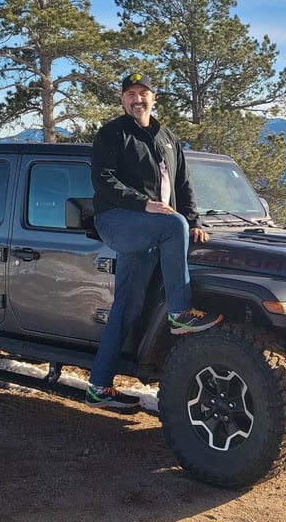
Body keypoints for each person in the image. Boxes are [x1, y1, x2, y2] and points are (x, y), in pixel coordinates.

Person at [85, 71, 223, 408]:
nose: (137, 99)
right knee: (173, 224)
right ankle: (179, 312)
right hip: (117, 219)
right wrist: (143, 204)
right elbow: (103, 181)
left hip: (151, 229)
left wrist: (193, 222)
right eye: (130, 94)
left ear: (153, 98)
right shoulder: (112, 134)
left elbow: (183, 185)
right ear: (122, 100)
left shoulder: (168, 137)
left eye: (142, 93)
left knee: (127, 309)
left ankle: (98, 387)